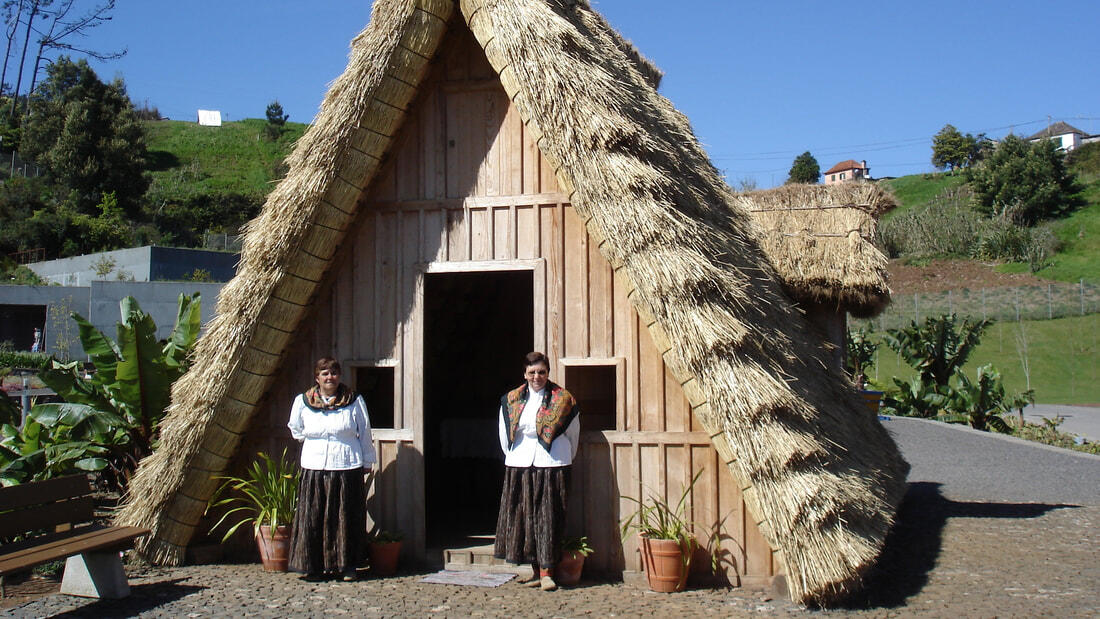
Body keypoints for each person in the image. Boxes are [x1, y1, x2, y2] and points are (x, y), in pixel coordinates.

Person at [494, 352, 580, 591]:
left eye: (541, 372)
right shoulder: (511, 399)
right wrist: (515, 457)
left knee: (549, 518)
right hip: (521, 464)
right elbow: (504, 435)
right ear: (524, 374)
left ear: (548, 373)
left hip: (552, 464)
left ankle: (547, 573)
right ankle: (533, 571)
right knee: (525, 519)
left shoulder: (563, 399)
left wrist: (561, 458)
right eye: (532, 372)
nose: (537, 377)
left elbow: (574, 435)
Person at [287, 357, 376, 581]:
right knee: (314, 516)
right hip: (315, 466)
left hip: (347, 465)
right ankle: (314, 567)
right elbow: (295, 427)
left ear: (339, 377)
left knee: (346, 517)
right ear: (317, 377)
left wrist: (367, 461)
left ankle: (348, 566)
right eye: (325, 373)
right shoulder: (303, 401)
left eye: (334, 373)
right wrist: (310, 439)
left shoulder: (354, 400)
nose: (330, 377)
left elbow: (365, 432)